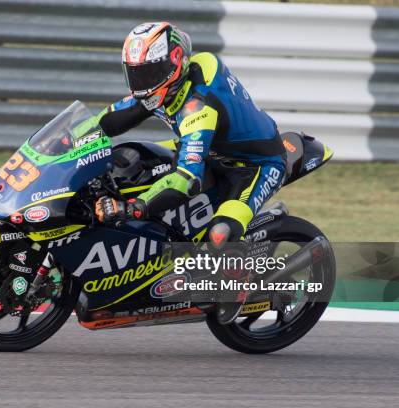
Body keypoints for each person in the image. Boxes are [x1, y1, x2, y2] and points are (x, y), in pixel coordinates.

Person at [91, 22, 287, 324]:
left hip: (254, 165)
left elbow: (187, 178)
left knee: (220, 234)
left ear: (176, 63)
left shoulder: (198, 108)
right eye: (136, 73)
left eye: (149, 73)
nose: (142, 82)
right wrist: (75, 138)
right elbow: (112, 118)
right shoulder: (171, 84)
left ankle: (238, 283)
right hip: (211, 151)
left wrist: (133, 207)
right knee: (134, 161)